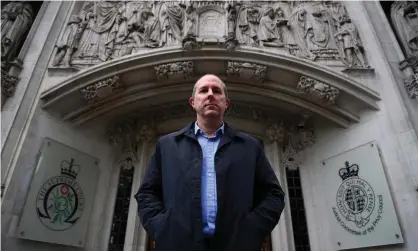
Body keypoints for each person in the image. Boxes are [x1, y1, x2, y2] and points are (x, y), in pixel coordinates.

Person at [135, 74, 285, 251]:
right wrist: (163, 228)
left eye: (217, 91)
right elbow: (147, 193)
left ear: (226, 103)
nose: (210, 94)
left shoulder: (249, 146)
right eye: (203, 90)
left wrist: (252, 228)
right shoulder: (168, 145)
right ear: (193, 102)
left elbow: (273, 194)